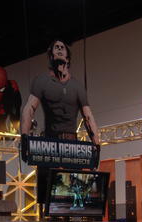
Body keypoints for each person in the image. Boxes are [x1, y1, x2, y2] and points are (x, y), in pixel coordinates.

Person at [20, 39, 99, 207]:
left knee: (74, 194)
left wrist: (96, 146)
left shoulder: (77, 86)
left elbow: (88, 117)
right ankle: (47, 215)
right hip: (50, 142)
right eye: (56, 47)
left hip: (71, 144)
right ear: (51, 56)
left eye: (62, 47)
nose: (59, 49)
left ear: (68, 57)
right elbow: (28, 109)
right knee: (47, 196)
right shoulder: (42, 81)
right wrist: (25, 138)